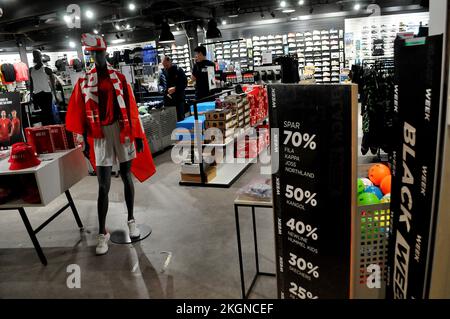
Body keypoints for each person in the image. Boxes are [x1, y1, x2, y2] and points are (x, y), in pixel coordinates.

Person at [66, 33, 156, 256]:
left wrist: (137, 135)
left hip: (122, 128)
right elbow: (80, 113)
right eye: (93, 53)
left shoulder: (119, 77)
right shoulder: (85, 80)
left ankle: (131, 220)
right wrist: (84, 141)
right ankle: (102, 232)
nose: (96, 57)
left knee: (127, 176)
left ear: (106, 52)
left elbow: (132, 107)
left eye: (99, 52)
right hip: (99, 134)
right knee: (103, 185)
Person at [29, 49, 58, 126]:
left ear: (41, 56)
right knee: (42, 114)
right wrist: (31, 95)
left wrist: (55, 96)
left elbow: (52, 84)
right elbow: (31, 83)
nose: (36, 57)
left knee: (48, 113)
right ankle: (46, 129)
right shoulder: (31, 70)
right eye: (34, 55)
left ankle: (52, 128)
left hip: (46, 94)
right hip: (37, 94)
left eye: (38, 55)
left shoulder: (47, 69)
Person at [159, 56, 187, 121]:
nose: (165, 67)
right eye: (164, 65)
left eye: (166, 65)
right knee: (169, 121)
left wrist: (175, 88)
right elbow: (159, 85)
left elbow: (185, 83)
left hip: (178, 100)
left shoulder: (178, 70)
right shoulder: (162, 72)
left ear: (170, 62)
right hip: (167, 101)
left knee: (180, 120)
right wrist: (163, 90)